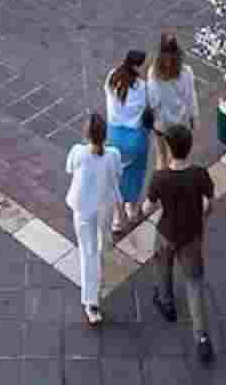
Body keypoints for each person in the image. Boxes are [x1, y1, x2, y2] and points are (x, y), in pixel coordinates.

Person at [141, 124, 216, 364]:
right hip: (192, 236)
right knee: (194, 285)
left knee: (162, 267)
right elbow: (209, 203)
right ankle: (202, 338)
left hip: (166, 233)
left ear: (170, 149)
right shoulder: (200, 174)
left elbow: (146, 208)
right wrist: (201, 215)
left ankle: (166, 303)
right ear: (189, 148)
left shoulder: (160, 178)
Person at [65, 112, 123, 326]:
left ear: (86, 134)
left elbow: (69, 169)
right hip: (104, 207)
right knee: (99, 247)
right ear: (105, 135)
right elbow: (116, 177)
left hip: (82, 208)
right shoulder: (114, 155)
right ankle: (96, 283)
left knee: (87, 251)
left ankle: (91, 302)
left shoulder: (77, 152)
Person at [103, 50, 150, 235]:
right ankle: (132, 210)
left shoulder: (111, 78)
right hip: (135, 137)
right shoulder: (142, 87)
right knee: (135, 174)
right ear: (138, 66)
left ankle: (117, 217)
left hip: (114, 136)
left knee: (116, 176)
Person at [147, 32, 198, 146]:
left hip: (161, 123)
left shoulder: (153, 73)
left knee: (161, 155)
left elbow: (153, 101)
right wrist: (193, 116)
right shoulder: (186, 72)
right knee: (175, 154)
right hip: (180, 123)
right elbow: (190, 97)